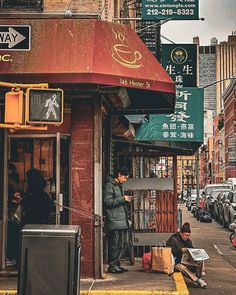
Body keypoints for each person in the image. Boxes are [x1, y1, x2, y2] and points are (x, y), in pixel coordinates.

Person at [103, 167, 132, 274]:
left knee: (123, 243)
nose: (125, 179)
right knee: (115, 244)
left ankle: (117, 263)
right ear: (119, 174)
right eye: (124, 177)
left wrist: (125, 200)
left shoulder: (118, 186)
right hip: (114, 220)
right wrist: (122, 199)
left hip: (121, 220)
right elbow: (107, 202)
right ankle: (112, 265)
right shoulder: (109, 185)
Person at [166, 222, 207, 289]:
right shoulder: (173, 239)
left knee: (200, 260)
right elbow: (169, 250)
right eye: (186, 235)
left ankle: (199, 277)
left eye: (188, 235)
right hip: (176, 263)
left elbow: (192, 248)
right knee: (181, 267)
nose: (187, 237)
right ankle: (196, 280)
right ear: (181, 233)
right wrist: (180, 250)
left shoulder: (188, 240)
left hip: (186, 261)